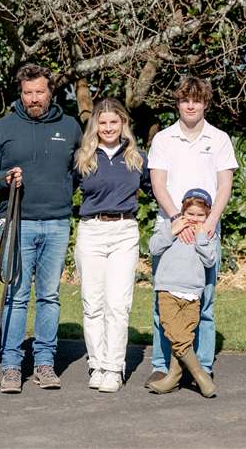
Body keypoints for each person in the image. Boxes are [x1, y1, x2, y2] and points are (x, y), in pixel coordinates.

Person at [0, 63, 82, 393]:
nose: (34, 98)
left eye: (39, 92)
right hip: (16, 222)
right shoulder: (1, 128)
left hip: (57, 222)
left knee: (50, 297)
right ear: (20, 94)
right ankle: (11, 366)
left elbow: (82, 170)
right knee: (16, 296)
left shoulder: (70, 126)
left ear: (50, 91)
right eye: (28, 93)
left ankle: (44, 363)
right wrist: (4, 178)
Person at [145, 76, 238, 388]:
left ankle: (203, 366)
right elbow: (158, 183)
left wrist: (208, 223)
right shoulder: (163, 139)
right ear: (178, 102)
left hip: (206, 230)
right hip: (171, 228)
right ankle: (162, 365)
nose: (190, 105)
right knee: (165, 300)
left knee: (204, 304)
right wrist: (177, 220)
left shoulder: (220, 139)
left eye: (196, 100)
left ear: (205, 104)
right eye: (185, 100)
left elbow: (225, 185)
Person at [72, 98, 152, 393]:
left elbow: (156, 190)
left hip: (124, 232)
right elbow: (62, 190)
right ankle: (96, 364)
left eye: (114, 122)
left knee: (117, 305)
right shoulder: (82, 157)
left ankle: (113, 368)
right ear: (96, 125)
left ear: (123, 124)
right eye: (102, 122)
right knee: (92, 305)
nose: (108, 128)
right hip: (91, 232)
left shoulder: (136, 157)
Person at [148, 189, 218, 397]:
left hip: (192, 293)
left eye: (200, 215)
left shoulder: (207, 234)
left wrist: (202, 238)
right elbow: (154, 248)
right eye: (190, 214)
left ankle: (172, 378)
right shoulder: (170, 226)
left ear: (207, 215)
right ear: (182, 211)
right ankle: (202, 377)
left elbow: (210, 261)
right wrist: (171, 231)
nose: (195, 220)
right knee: (174, 333)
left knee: (184, 336)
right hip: (167, 289)